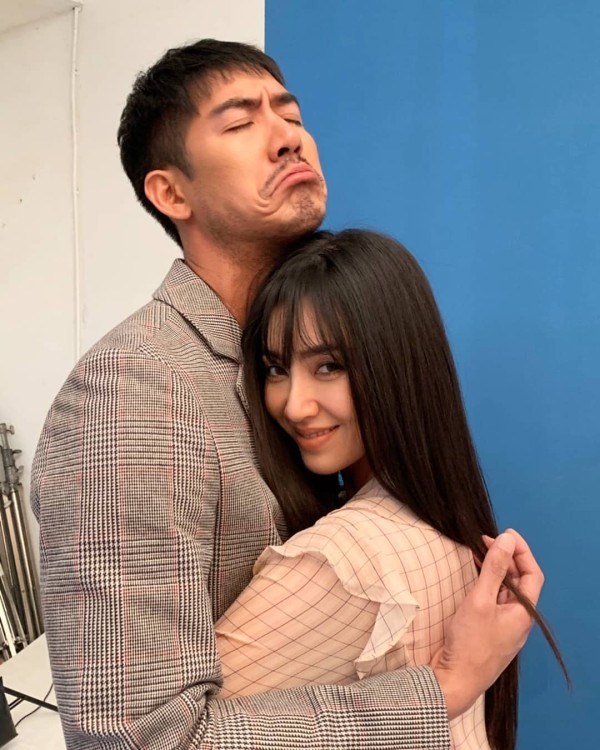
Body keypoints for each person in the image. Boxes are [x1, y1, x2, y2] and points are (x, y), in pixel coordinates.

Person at [31, 39, 544, 749]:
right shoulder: (134, 390)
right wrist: (442, 689)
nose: (287, 138)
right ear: (172, 193)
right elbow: (139, 739)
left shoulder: (271, 356)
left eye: (292, 116)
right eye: (241, 123)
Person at [214, 229, 566, 749]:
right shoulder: (444, 524)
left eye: (328, 366)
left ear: (396, 366)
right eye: (276, 369)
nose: (294, 404)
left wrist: (446, 688)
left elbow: (171, 736)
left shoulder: (340, 558)